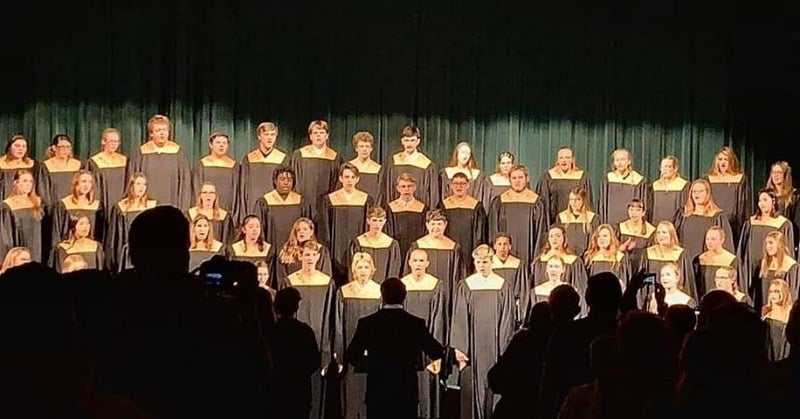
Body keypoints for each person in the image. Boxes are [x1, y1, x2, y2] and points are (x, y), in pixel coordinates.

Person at [346, 277, 444, 419]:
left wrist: (372, 365)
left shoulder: (367, 323)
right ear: (405, 296)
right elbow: (436, 351)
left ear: (382, 296)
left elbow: (353, 355)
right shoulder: (415, 324)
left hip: (377, 391)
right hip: (406, 391)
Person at [271, 287, 322, 419]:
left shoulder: (270, 332)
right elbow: (314, 362)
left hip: (276, 391)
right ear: (296, 307)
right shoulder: (304, 331)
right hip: (300, 391)